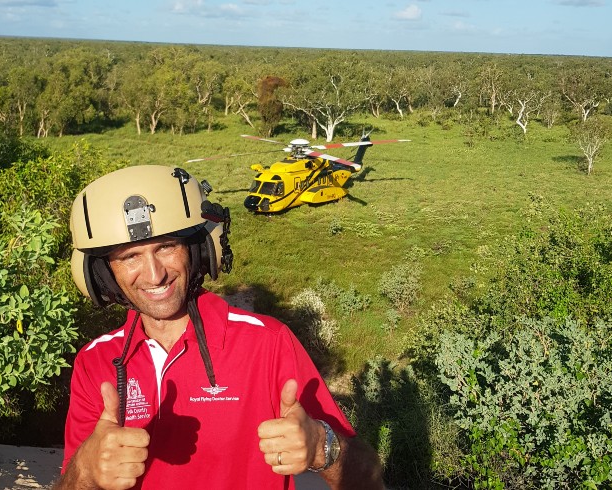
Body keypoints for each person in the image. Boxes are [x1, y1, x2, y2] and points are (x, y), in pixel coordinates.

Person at [53, 165, 384, 490]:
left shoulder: (266, 343)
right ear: (102, 274)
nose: (155, 275)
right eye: (130, 256)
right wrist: (85, 469)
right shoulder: (95, 362)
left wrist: (321, 447)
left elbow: (366, 478)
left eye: (167, 246)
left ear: (197, 249)